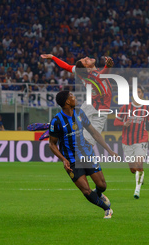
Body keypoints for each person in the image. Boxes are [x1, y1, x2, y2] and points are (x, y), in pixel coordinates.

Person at [49, 91, 118, 219]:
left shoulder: (80, 113)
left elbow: (94, 133)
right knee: (86, 190)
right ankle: (107, 209)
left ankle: (98, 193)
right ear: (68, 102)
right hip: (72, 161)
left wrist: (109, 150)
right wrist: (63, 159)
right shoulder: (56, 121)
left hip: (87, 155)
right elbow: (52, 144)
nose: (75, 97)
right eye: (72, 96)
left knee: (102, 185)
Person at [29, 54, 114, 143]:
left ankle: (52, 126)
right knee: (91, 140)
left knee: (76, 125)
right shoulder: (93, 76)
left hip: (90, 104)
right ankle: (54, 128)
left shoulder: (80, 72)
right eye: (85, 61)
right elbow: (102, 75)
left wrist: (53, 57)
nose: (86, 57)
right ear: (88, 69)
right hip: (100, 108)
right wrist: (107, 66)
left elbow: (67, 66)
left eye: (84, 58)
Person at [114, 86, 149, 199]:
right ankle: (140, 177)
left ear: (142, 94)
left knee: (139, 165)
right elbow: (116, 122)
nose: (137, 94)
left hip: (141, 139)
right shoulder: (125, 107)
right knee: (133, 169)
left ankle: (137, 190)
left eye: (139, 92)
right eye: (135, 92)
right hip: (127, 141)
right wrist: (123, 124)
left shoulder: (147, 109)